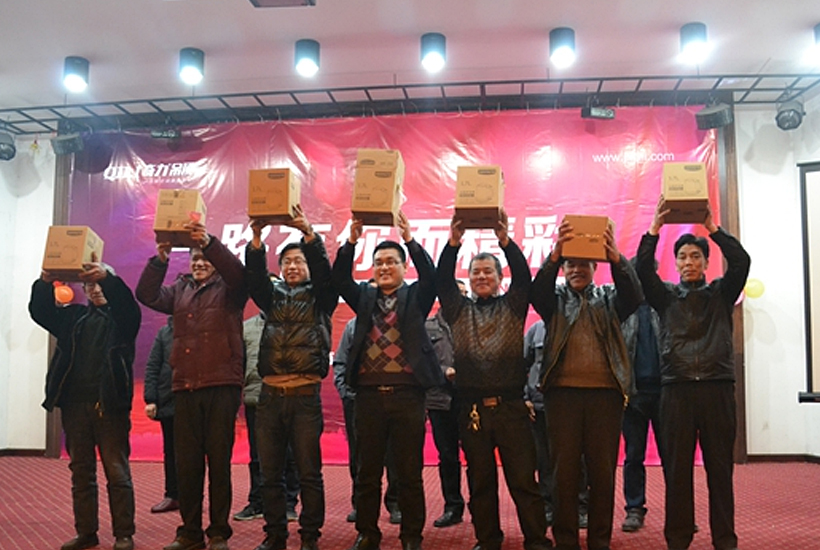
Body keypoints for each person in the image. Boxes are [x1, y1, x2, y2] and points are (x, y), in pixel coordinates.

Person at [636, 198, 750, 550]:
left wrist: (712, 227)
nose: (689, 262)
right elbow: (642, 271)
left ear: (705, 262)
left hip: (717, 389)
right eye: (683, 257)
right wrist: (654, 229)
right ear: (676, 264)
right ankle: (678, 539)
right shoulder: (666, 297)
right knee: (677, 472)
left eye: (696, 256)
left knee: (720, 471)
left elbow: (742, 262)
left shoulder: (721, 293)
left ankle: (725, 540)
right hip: (677, 391)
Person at [437, 211, 551, 550]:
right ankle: (488, 540)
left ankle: (536, 540)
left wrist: (505, 240)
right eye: (476, 272)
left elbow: (524, 278)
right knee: (480, 481)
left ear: (500, 278)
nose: (482, 276)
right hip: (471, 410)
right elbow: (443, 281)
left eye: (489, 271)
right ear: (469, 279)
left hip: (511, 409)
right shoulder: (458, 310)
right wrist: (453, 243)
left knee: (523, 480)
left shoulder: (513, 306)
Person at [332, 212, 445, 550]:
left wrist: (409, 238)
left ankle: (411, 536)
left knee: (409, 473)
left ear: (403, 267)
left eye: (391, 262)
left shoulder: (416, 298)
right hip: (368, 397)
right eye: (378, 262)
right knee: (367, 472)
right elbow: (340, 279)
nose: (384, 268)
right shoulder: (364, 299)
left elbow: (432, 277)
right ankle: (367, 533)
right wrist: (351, 242)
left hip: (408, 396)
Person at [531, 218, 642, 550]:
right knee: (563, 474)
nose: (576, 270)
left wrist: (617, 258)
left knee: (602, 474)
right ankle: (565, 541)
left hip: (605, 398)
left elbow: (635, 296)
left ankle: (599, 542)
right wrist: (555, 254)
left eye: (583, 264)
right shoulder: (553, 300)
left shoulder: (610, 299)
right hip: (561, 398)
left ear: (596, 268)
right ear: (563, 269)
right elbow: (536, 292)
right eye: (570, 264)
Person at [136, 222, 246, 550]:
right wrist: (160, 259)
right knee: (188, 465)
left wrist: (209, 243)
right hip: (184, 387)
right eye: (195, 258)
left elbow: (238, 273)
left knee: (219, 464)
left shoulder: (231, 289)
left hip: (221, 384)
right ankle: (190, 532)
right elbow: (146, 294)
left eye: (205, 258)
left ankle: (218, 532)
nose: (199, 263)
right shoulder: (179, 290)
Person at [29, 260, 140, 550]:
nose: (96, 289)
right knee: (81, 472)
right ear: (86, 289)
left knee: (117, 472)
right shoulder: (73, 316)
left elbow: (126, 303)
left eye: (101, 284)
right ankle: (86, 533)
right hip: (74, 405)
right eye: (91, 285)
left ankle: (124, 534)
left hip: (110, 405)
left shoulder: (124, 320)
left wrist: (108, 279)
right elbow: (40, 311)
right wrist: (44, 282)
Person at [245, 208, 337, 550]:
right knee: (270, 474)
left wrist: (309, 234)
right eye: (287, 262)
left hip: (304, 398)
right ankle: (275, 535)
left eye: (299, 261)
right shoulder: (271, 297)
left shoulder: (322, 297)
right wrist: (256, 241)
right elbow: (255, 279)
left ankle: (310, 536)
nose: (293, 266)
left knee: (309, 473)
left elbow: (326, 274)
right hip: (269, 398)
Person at [332, 314, 402, 525]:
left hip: (394, 398)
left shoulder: (401, 321)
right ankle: (360, 504)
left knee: (394, 454)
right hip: (358, 399)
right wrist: (345, 392)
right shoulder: (353, 326)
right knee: (360, 454)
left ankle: (396, 503)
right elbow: (340, 361)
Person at [234, 312, 302, 524]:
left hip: (286, 396)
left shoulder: (292, 323)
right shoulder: (245, 328)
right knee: (257, 456)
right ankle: (257, 502)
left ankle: (289, 504)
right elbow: (238, 364)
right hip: (255, 398)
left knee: (289, 454)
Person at [424, 280, 467, 529]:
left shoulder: (472, 322)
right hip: (439, 399)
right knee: (448, 456)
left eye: (464, 294)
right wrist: (444, 372)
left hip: (469, 398)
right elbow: (421, 362)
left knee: (477, 456)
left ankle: (481, 506)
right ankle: (453, 506)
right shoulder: (427, 326)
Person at [619, 299, 663, 533]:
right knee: (634, 455)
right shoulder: (623, 307)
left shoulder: (664, 304)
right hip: (633, 393)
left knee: (673, 457)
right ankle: (634, 508)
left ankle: (679, 511)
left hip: (666, 391)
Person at [144, 316, 180, 514]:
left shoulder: (200, 330)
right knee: (171, 451)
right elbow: (152, 366)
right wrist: (151, 399)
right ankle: (172, 495)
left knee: (194, 453)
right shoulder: (164, 333)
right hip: (168, 399)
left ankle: (193, 496)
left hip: (193, 401)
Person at [523, 319, 554, 526]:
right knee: (543, 459)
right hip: (539, 405)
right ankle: (548, 504)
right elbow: (521, 365)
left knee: (575, 458)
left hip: (567, 404)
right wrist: (525, 397)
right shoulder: (536, 330)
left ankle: (579, 505)